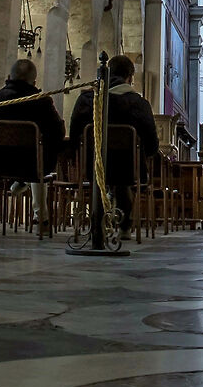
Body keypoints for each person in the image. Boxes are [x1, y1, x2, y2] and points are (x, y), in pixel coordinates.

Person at [67, 53, 157, 249]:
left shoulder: (86, 99)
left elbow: (74, 134)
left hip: (92, 164)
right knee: (123, 178)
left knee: (104, 173)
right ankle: (124, 225)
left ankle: (97, 222)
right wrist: (148, 155)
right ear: (130, 77)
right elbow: (151, 141)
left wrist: (76, 156)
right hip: (128, 168)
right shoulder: (139, 104)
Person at [0, 57, 67, 182]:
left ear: (9, 77)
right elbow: (58, 134)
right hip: (32, 168)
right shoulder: (42, 103)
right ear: (34, 83)